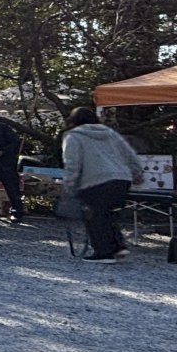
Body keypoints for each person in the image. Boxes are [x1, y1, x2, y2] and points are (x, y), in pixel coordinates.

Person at [61, 106, 143, 263]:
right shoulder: (109, 133)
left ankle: (103, 253)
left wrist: (69, 184)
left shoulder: (73, 136)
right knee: (107, 213)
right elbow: (129, 153)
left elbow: (72, 163)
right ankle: (118, 246)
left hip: (95, 180)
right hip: (121, 179)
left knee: (95, 217)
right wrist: (137, 171)